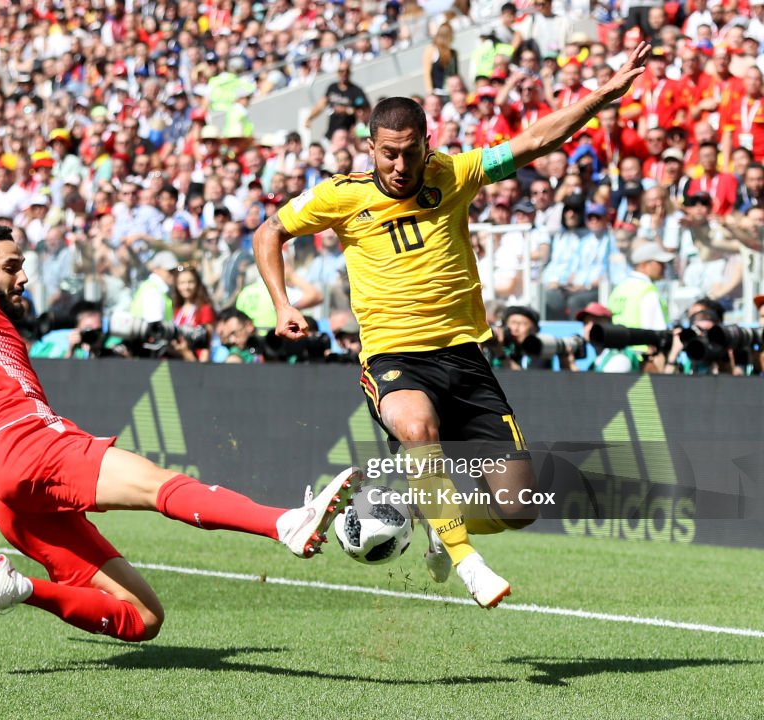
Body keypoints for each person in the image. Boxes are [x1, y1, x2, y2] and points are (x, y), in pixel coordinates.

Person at [0, 225, 361, 642]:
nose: (22, 273)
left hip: (5, 495)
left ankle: (21, 589)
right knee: (161, 486)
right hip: (32, 444)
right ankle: (285, 522)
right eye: (11, 264)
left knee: (143, 619)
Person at [253, 43, 653, 608]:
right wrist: (282, 304)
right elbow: (269, 231)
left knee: (518, 508)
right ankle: (467, 562)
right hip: (394, 356)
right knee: (416, 430)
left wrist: (600, 96)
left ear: (427, 145)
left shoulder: (455, 174)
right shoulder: (339, 196)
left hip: (465, 357)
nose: (399, 166)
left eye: (410, 153)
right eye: (389, 154)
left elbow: (539, 139)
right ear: (370, 148)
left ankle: (433, 519)